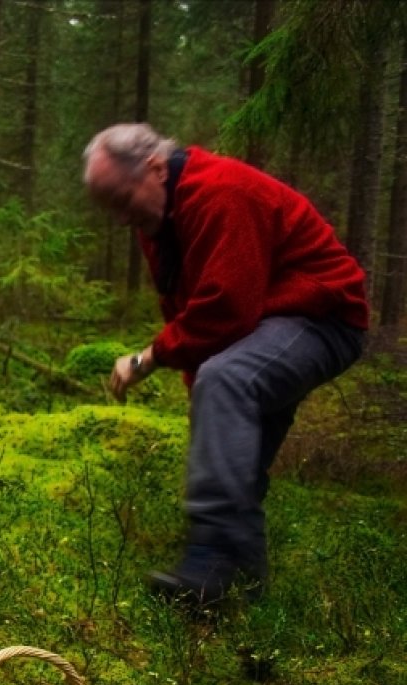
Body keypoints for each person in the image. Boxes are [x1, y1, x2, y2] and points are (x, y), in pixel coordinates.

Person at [83, 123, 368, 606]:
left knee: (228, 378)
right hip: (267, 322)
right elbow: (185, 311)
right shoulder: (156, 221)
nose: (120, 217)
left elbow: (226, 310)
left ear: (154, 167)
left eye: (122, 199)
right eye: (110, 206)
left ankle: (210, 553)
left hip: (324, 316)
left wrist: (148, 357)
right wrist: (203, 393)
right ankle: (241, 588)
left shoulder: (221, 192)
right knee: (239, 446)